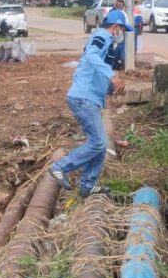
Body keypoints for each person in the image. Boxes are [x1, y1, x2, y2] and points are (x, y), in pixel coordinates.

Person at [49, 10, 130, 197]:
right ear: (116, 27)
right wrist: (112, 75)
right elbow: (91, 55)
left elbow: (91, 70)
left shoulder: (107, 45)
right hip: (84, 99)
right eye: (122, 29)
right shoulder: (102, 36)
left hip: (90, 99)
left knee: (99, 142)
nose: (122, 33)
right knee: (99, 142)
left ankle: (88, 185)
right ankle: (60, 167)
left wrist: (112, 87)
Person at [105, 0, 129, 70]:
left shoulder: (124, 13)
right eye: (118, 2)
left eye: (121, 2)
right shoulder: (113, 12)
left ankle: (119, 64)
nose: (119, 4)